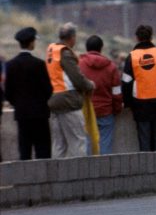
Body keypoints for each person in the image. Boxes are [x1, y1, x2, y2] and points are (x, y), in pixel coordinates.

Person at [46, 22, 95, 158]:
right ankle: (78, 171)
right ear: (72, 37)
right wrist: (90, 85)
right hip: (69, 101)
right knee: (78, 141)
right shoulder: (65, 53)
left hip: (54, 100)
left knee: (59, 144)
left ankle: (57, 171)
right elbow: (77, 79)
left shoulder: (52, 50)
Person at [4, 27, 54, 160]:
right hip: (40, 114)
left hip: (22, 114)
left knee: (25, 151)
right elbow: (48, 89)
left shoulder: (11, 65)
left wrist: (19, 104)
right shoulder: (39, 64)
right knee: (43, 150)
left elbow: (8, 92)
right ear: (32, 42)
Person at [122, 24, 156, 151]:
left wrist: (127, 103)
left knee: (144, 141)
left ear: (137, 38)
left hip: (141, 104)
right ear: (151, 37)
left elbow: (126, 82)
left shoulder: (132, 57)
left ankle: (146, 163)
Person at [79, 35, 123, 155]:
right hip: (106, 111)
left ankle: (88, 167)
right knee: (105, 144)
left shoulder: (79, 65)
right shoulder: (111, 67)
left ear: (86, 48)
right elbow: (117, 92)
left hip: (86, 111)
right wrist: (117, 109)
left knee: (88, 144)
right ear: (101, 48)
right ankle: (105, 166)